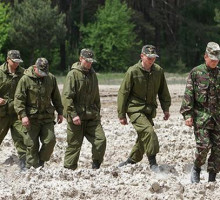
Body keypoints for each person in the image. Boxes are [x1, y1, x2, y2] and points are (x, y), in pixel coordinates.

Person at [117, 45, 171, 171]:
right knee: (149, 132)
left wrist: (166, 109)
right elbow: (123, 93)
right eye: (149, 57)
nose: (152, 60)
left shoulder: (158, 71)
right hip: (135, 109)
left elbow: (163, 92)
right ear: (142, 56)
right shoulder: (132, 71)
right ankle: (153, 163)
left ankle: (131, 160)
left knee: (143, 136)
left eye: (154, 58)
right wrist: (121, 114)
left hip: (149, 110)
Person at [180, 42, 220, 183]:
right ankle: (196, 168)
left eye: (217, 59)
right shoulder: (196, 73)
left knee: (217, 149)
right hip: (201, 118)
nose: (215, 61)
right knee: (204, 146)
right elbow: (188, 95)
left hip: (217, 119)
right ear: (205, 57)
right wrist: (187, 115)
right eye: (212, 59)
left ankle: (212, 178)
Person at [14, 58, 63, 169]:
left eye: (44, 72)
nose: (42, 75)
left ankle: (41, 162)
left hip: (47, 117)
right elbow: (18, 100)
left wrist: (60, 112)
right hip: (31, 118)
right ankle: (31, 168)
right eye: (40, 72)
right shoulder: (25, 79)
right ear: (35, 67)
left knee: (50, 141)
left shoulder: (50, 78)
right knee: (31, 145)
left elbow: (56, 97)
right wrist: (23, 116)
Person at [62, 48, 106, 170]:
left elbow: (96, 96)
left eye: (91, 61)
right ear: (81, 58)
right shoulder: (73, 74)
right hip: (77, 117)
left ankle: (96, 166)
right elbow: (67, 97)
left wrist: (97, 112)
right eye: (87, 61)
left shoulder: (93, 75)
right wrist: (73, 114)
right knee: (74, 145)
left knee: (100, 140)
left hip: (92, 117)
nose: (89, 63)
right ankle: (68, 170)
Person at [0, 50, 27, 170]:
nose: (16, 64)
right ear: (8, 60)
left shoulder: (23, 73)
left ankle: (23, 164)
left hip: (17, 114)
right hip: (2, 114)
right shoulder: (0, 72)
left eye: (18, 61)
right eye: (14, 61)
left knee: (21, 138)